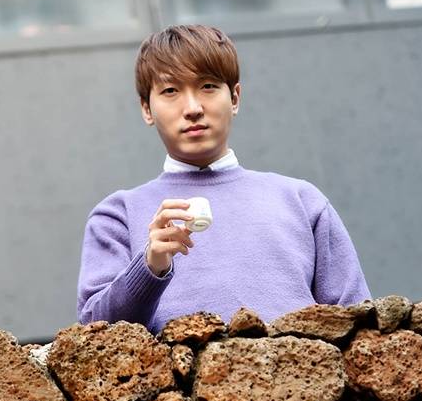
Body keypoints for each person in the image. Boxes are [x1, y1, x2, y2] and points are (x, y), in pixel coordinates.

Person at [77, 24, 370, 334]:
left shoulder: (302, 201)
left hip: (299, 364)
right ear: (147, 108)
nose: (192, 108)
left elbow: (360, 326)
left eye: (208, 86)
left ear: (235, 98)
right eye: (170, 91)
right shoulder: (117, 215)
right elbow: (92, 335)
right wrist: (149, 267)